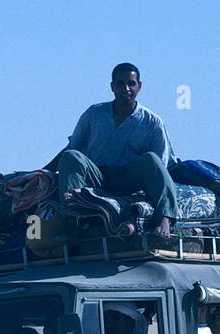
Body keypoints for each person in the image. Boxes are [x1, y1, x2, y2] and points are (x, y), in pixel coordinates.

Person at [47, 63, 179, 241]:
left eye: (131, 83)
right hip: (98, 175)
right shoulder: (94, 114)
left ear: (139, 86)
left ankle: (165, 218)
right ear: (112, 87)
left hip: (129, 178)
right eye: (120, 84)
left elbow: (161, 164)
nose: (126, 88)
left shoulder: (152, 122)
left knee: (151, 159)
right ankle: (73, 222)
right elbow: (73, 148)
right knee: (71, 157)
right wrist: (43, 171)